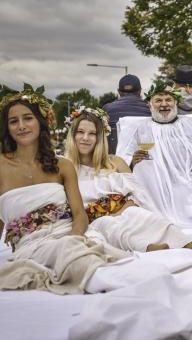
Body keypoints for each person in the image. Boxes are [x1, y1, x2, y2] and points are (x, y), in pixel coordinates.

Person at [0, 88, 126, 294]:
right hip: (32, 245)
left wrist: (73, 239)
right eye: (13, 121)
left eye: (27, 118)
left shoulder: (63, 165)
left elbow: (80, 216)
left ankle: (120, 288)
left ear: (40, 122)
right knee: (72, 256)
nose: (21, 126)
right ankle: (114, 288)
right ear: (6, 127)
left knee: (80, 253)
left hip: (71, 236)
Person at [64, 106, 192, 254]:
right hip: (94, 219)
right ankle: (147, 247)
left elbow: (138, 194)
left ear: (100, 138)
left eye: (92, 134)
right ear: (73, 135)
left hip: (123, 209)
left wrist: (123, 210)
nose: (85, 138)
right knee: (108, 225)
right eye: (80, 132)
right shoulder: (65, 167)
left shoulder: (115, 162)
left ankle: (187, 242)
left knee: (142, 216)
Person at [116, 82, 192, 228]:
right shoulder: (139, 128)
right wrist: (132, 161)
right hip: (157, 182)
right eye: (158, 100)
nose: (164, 104)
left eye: (168, 100)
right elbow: (122, 158)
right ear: (150, 104)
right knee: (143, 164)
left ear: (176, 102)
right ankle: (157, 218)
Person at [103, 74, 151, 154]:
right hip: (144, 157)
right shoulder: (150, 109)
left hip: (115, 158)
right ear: (140, 91)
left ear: (118, 91)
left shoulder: (107, 109)